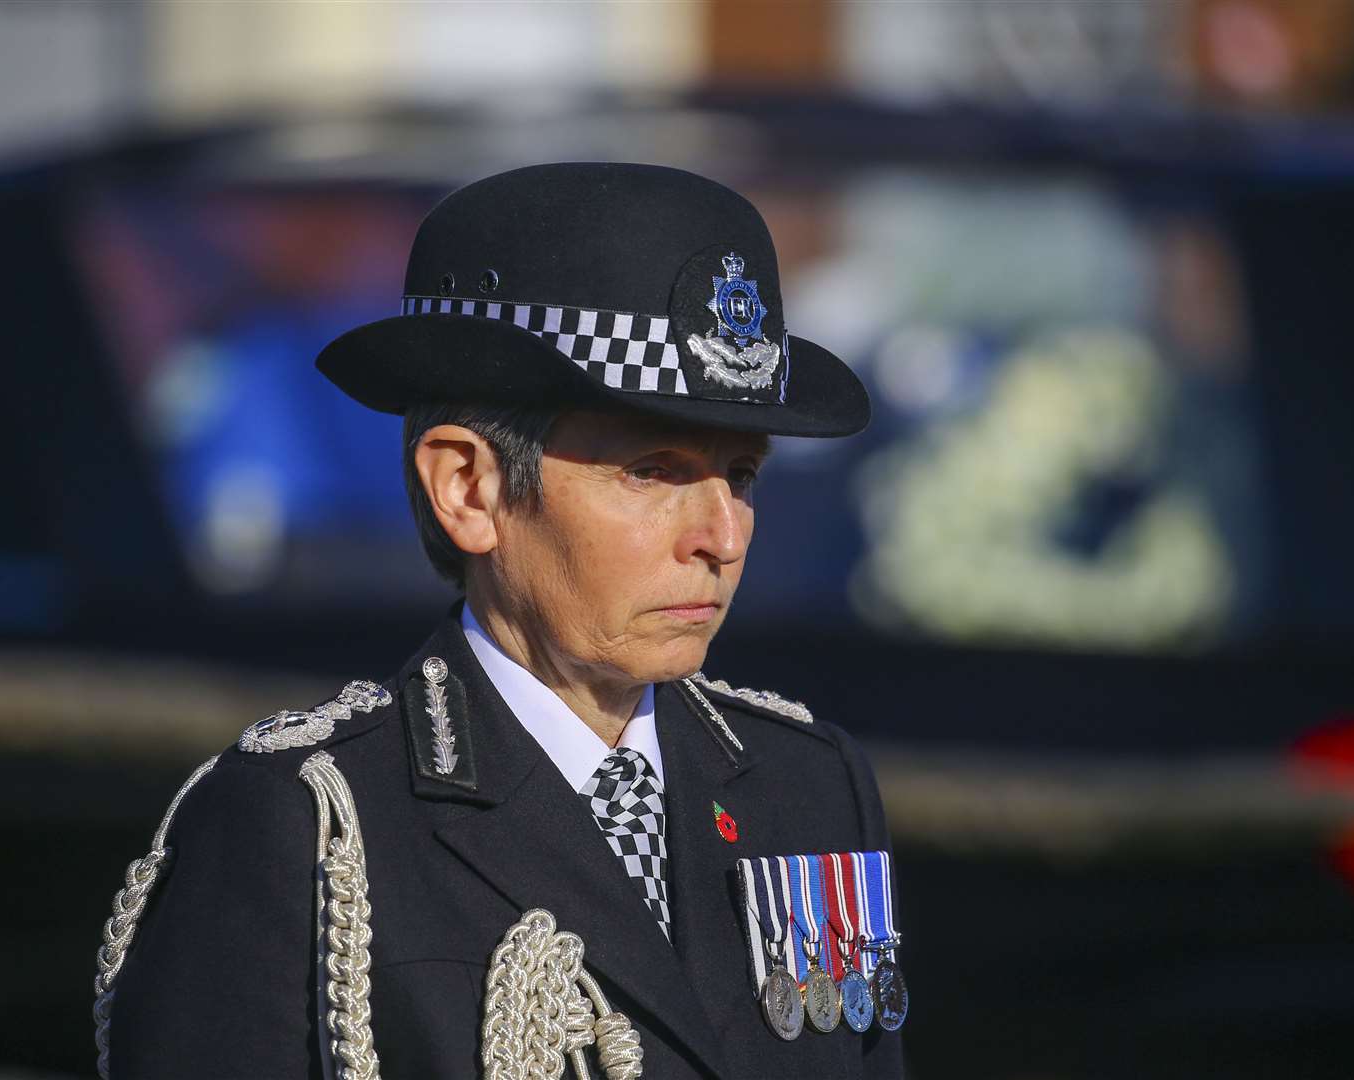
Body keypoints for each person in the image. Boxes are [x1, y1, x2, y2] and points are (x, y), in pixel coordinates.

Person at [93, 162, 904, 1080]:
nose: (721, 536)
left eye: (744, 477)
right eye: (653, 471)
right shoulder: (304, 828)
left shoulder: (805, 786)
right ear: (469, 489)